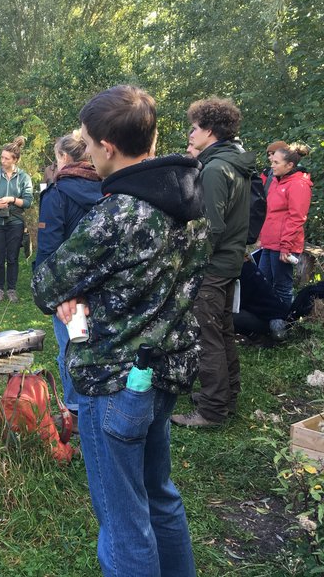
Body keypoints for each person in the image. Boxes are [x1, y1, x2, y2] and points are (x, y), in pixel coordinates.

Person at [32, 85, 206, 577]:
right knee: (159, 496)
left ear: (108, 146)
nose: (85, 152)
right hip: (165, 368)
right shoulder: (189, 199)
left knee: (123, 519)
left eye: (87, 143)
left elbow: (47, 284)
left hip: (114, 380)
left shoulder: (119, 214)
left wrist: (77, 293)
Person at [172, 97, 256, 428]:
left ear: (209, 130)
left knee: (207, 334)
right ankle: (225, 395)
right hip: (230, 261)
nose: (190, 134)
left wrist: (189, 259)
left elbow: (213, 227)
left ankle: (211, 410)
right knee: (222, 329)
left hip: (214, 265)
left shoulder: (216, 169)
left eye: (194, 128)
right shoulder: (234, 162)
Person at [34, 130, 102, 419]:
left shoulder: (57, 194)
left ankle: (74, 411)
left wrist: (45, 290)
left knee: (70, 347)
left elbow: (49, 249)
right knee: (100, 345)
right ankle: (101, 404)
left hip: (69, 289)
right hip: (105, 283)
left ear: (63, 157)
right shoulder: (108, 188)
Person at [257, 143, 312, 309]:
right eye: (272, 162)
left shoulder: (298, 184)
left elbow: (296, 217)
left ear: (290, 165)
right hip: (270, 242)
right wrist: (262, 237)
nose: (271, 165)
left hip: (284, 245)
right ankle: (265, 319)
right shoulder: (276, 181)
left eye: (276, 163)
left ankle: (283, 322)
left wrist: (286, 246)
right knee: (262, 282)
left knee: (282, 286)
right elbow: (270, 212)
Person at [0, 136, 33, 303]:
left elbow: (27, 201)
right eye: (1, 157)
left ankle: (11, 289)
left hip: (16, 222)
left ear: (15, 160)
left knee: (12, 257)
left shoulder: (24, 178)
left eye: (6, 158)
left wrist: (11, 199)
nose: (2, 160)